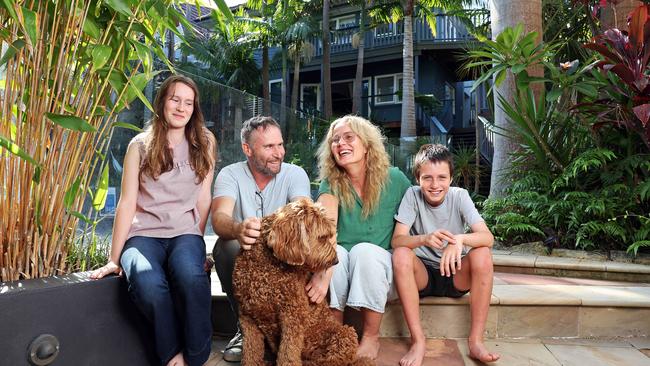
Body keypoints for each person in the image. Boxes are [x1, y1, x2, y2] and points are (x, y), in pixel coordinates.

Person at [90, 75, 216, 366]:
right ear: (162, 102)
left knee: (191, 276)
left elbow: (203, 198)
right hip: (143, 234)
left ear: (194, 108)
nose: (181, 107)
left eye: (188, 102)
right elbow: (127, 202)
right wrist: (114, 257)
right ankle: (173, 354)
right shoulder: (140, 145)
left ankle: (195, 356)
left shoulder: (205, 142)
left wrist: (195, 240)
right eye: (175, 99)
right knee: (148, 285)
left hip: (185, 232)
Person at [210, 115, 311, 362]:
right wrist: (237, 229)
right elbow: (219, 218)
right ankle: (244, 330)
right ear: (248, 149)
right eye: (269, 147)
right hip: (246, 258)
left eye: (280, 144)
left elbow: (303, 217)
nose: (279, 153)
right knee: (225, 246)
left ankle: (282, 335)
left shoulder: (295, 173)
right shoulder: (229, 174)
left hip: (283, 258)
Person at [392, 143, 500, 366]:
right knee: (401, 254)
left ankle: (476, 341)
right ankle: (418, 340)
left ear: (451, 179)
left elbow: (487, 237)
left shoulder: (460, 196)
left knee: (482, 254)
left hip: (454, 272)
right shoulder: (412, 196)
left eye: (442, 177)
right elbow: (397, 240)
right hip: (423, 276)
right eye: (427, 178)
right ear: (417, 178)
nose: (435, 185)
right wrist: (424, 238)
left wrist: (460, 240)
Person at [315, 115, 411, 360]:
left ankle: (371, 337)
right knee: (336, 253)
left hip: (383, 272)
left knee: (365, 251)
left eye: (349, 137)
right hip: (343, 271)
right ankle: (335, 333)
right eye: (335, 140)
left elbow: (414, 224)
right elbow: (327, 230)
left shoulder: (396, 179)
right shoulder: (331, 183)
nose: (340, 144)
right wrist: (322, 275)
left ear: (367, 145)